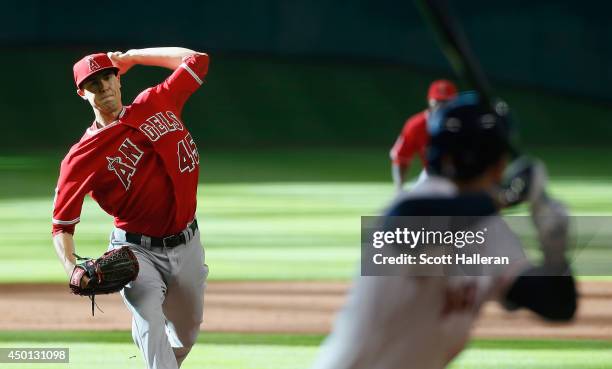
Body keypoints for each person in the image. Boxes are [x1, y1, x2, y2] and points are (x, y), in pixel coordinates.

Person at [311, 92, 577, 369]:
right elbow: (411, 221)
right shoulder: (413, 204)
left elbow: (557, 306)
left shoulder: (489, 228)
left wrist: (554, 247)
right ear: (500, 166)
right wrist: (508, 196)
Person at [52, 47, 210, 369]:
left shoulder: (156, 101)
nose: (105, 87)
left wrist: (134, 56)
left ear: (118, 79)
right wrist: (71, 267)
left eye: (108, 77)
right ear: (82, 93)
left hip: (188, 243)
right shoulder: (81, 157)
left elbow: (197, 60)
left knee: (187, 333)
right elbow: (62, 224)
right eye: (94, 84)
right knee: (151, 326)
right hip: (136, 252)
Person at [390, 79, 457, 192]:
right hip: (432, 175)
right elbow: (400, 158)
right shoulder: (416, 125)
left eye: (446, 102)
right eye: (438, 101)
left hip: (465, 177)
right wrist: (399, 189)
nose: (441, 106)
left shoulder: (466, 124)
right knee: (411, 204)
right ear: (429, 101)